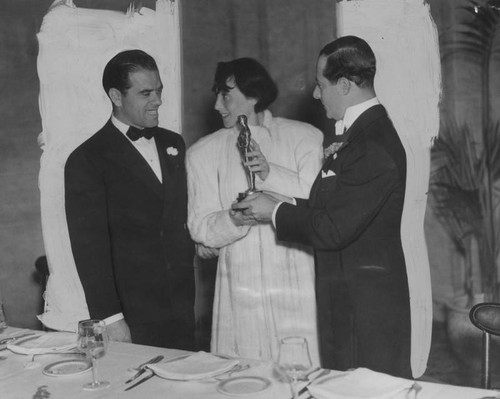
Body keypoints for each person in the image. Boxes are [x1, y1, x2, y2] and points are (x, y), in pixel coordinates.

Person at [232, 37, 412, 378]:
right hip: (346, 303)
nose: (315, 94)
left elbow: (332, 229)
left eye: (320, 85)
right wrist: (274, 201)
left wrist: (273, 212)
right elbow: (328, 206)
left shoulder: (373, 145)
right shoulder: (358, 136)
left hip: (367, 314)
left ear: (344, 85)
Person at [186, 57, 323, 364]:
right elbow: (200, 227)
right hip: (239, 283)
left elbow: (317, 201)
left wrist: (268, 172)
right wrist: (234, 219)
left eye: (226, 96)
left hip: (295, 278)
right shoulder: (202, 154)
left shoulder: (304, 137)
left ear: (254, 96)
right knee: (242, 375)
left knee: (299, 368)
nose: (217, 105)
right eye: (217, 95)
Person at [65, 49, 195, 350]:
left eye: (159, 91)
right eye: (146, 93)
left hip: (182, 304)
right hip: (131, 314)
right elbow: (89, 249)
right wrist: (110, 319)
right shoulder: (86, 159)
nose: (158, 101)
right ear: (116, 96)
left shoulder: (173, 143)